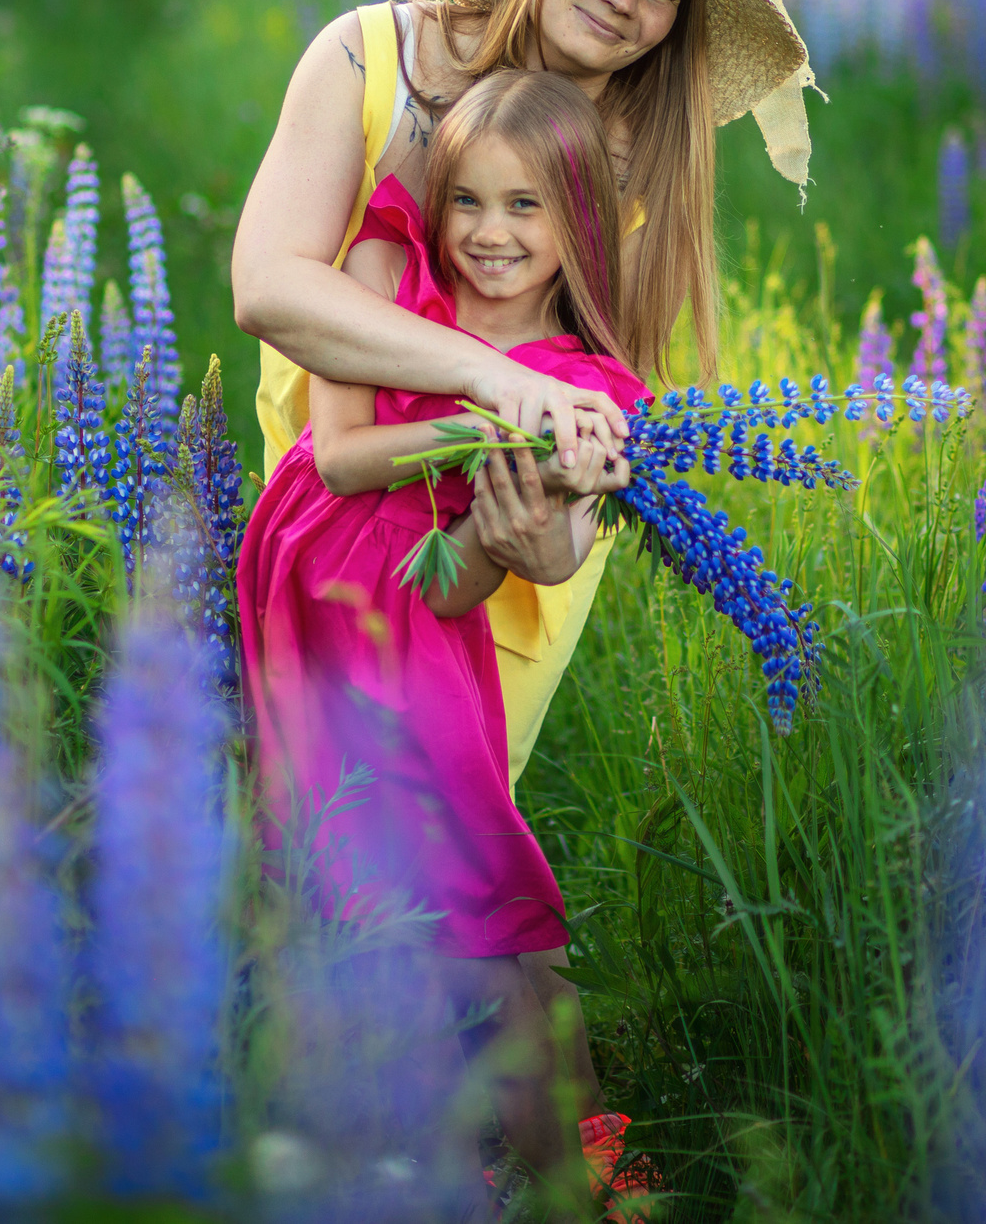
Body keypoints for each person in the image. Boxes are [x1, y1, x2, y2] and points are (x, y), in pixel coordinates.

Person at [238, 71, 641, 1203]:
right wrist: (489, 408)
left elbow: (458, 582)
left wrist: (526, 526)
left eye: (527, 209)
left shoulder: (586, 382)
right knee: (329, 870)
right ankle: (381, 1147)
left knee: (508, 911)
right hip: (308, 589)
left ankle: (579, 1173)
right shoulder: (385, 268)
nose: (490, 234)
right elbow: (343, 455)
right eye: (468, 200)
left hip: (423, 637)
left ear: (580, 224)